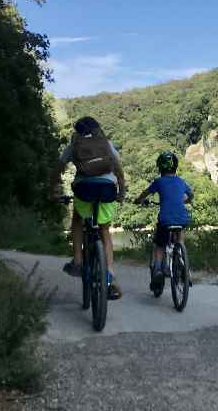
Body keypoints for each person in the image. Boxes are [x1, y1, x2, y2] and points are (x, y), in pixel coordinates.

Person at [52, 116, 126, 299]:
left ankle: (77, 261)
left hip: (84, 190)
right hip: (107, 189)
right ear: (98, 129)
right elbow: (119, 170)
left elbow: (57, 170)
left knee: (77, 219)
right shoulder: (106, 144)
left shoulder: (74, 145)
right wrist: (121, 192)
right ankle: (110, 277)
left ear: (77, 131)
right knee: (105, 230)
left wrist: (53, 191)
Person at [134, 151, 193, 293]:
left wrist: (138, 200)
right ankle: (185, 267)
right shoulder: (181, 181)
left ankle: (159, 269)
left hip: (165, 220)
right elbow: (191, 195)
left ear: (160, 167)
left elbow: (145, 193)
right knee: (180, 239)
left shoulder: (158, 182)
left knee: (160, 245)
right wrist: (186, 201)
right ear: (176, 166)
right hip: (183, 218)